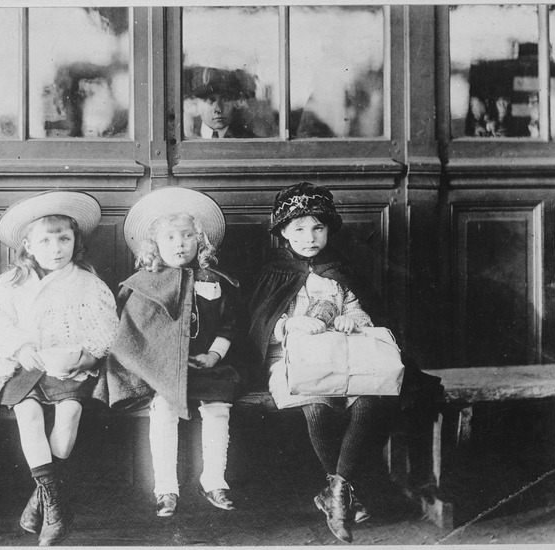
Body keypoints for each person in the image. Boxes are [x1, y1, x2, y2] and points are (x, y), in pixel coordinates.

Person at [248, 182, 397, 544]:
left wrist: (353, 321)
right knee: (315, 409)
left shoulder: (339, 272)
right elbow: (258, 324)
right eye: (299, 229)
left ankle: (335, 493)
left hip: (343, 361)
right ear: (284, 232)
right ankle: (344, 496)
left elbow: (361, 311)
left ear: (329, 230)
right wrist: (289, 324)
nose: (310, 237)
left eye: (318, 227)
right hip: (291, 362)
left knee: (366, 404)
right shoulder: (275, 273)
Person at [0, 190, 118, 546]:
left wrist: (87, 357)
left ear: (75, 241)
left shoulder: (87, 283)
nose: (56, 249)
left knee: (69, 414)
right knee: (28, 414)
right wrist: (20, 347)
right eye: (45, 241)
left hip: (68, 369)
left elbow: (107, 330)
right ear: (28, 244)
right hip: (26, 368)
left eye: (64, 239)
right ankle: (55, 506)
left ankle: (40, 496)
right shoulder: (12, 284)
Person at [104, 187, 245, 517]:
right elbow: (135, 334)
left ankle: (214, 480)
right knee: (163, 407)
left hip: (206, 365)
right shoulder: (143, 283)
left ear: (200, 241)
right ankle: (165, 488)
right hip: (161, 369)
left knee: (217, 406)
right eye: (169, 237)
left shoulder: (213, 279)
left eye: (187, 236)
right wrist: (159, 365)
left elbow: (229, 324)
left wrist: (215, 355)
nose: (179, 244)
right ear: (155, 244)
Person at [187, 67, 255, 139]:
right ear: (197, 104)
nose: (218, 109)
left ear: (235, 103)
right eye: (210, 100)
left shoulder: (250, 141)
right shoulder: (187, 137)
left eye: (225, 100)